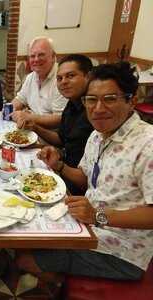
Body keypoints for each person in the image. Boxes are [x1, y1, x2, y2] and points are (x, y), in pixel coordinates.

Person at [16, 62, 153, 282]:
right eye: (91, 100)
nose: (98, 108)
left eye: (110, 99)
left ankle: (62, 284)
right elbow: (85, 177)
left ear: (131, 101)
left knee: (25, 257)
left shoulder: (148, 143)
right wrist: (58, 165)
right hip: (85, 226)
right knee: (25, 229)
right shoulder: (98, 135)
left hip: (123, 250)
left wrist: (97, 215)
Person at [22, 54, 94, 195]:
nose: (64, 82)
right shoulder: (72, 104)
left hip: (76, 186)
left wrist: (59, 166)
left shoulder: (94, 113)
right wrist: (35, 127)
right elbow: (61, 140)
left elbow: (90, 179)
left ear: (88, 76)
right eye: (59, 78)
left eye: (71, 76)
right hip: (62, 170)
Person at [11, 37, 68, 129]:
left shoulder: (62, 78)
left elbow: (59, 119)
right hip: (32, 129)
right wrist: (7, 110)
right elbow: (20, 99)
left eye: (41, 55)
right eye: (32, 56)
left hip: (51, 136)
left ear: (53, 57)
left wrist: (29, 117)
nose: (36, 59)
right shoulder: (31, 77)